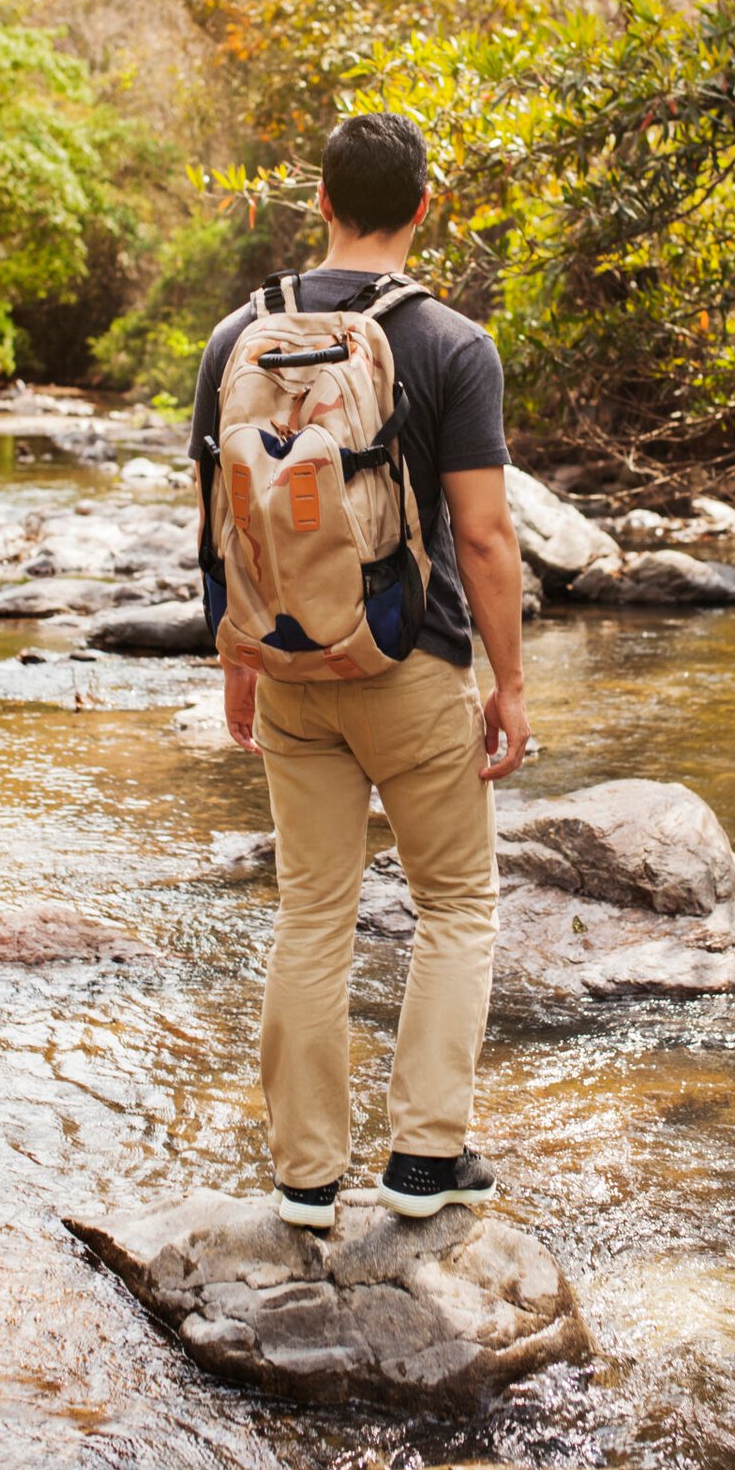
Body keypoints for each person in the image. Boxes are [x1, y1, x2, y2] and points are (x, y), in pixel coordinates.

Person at [188, 111, 531, 1228]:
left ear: (319, 203)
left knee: (311, 914)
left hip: (289, 669)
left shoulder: (237, 336)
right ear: (423, 207)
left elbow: (217, 522)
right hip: (411, 665)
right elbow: (481, 536)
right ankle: (425, 1160)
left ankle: (302, 1177)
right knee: (455, 907)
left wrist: (236, 655)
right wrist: (510, 686)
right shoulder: (450, 344)